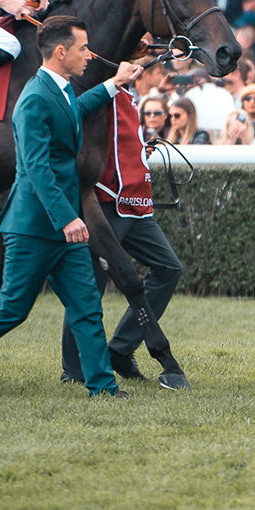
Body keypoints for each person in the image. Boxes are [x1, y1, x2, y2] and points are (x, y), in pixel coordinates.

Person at [0, 16, 135, 399]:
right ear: (60, 52)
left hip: (59, 226)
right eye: (82, 49)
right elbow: (36, 169)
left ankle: (103, 388)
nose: (89, 55)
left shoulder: (60, 89)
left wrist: (113, 84)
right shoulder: (35, 98)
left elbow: (74, 110)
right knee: (11, 310)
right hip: (35, 227)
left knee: (87, 305)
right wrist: (68, 217)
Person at [60, 41, 186, 387]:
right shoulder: (109, 92)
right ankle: (73, 369)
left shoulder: (131, 98)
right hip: (107, 203)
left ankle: (120, 348)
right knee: (90, 286)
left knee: (169, 267)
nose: (161, 79)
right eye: (157, 71)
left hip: (137, 204)